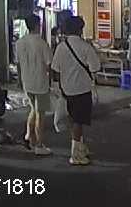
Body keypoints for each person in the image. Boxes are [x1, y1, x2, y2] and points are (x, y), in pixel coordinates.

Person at [51, 15, 101, 166]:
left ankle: (80, 147)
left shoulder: (61, 47)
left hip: (66, 90)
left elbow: (55, 69)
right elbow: (95, 67)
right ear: (80, 30)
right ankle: (76, 154)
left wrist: (58, 86)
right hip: (82, 90)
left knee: (74, 120)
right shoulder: (86, 47)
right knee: (79, 122)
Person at [16, 13, 53, 155]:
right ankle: (39, 144)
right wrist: (51, 82)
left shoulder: (20, 43)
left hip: (27, 82)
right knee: (40, 114)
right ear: (38, 25)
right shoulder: (42, 44)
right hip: (40, 83)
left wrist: (20, 80)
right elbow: (49, 65)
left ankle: (28, 135)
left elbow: (18, 64)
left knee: (33, 109)